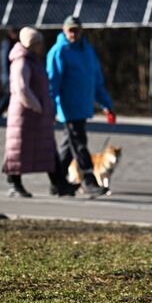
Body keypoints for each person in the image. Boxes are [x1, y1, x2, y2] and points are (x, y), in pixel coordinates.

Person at [2, 27, 78, 198]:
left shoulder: (33, 60)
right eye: (39, 43)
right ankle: (14, 183)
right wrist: (39, 107)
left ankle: (60, 184)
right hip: (24, 115)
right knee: (18, 150)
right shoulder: (21, 61)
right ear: (31, 44)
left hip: (37, 115)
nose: (42, 46)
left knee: (48, 149)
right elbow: (21, 89)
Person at [46, 15, 116, 198]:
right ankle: (88, 180)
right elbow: (52, 84)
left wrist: (106, 105)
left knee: (68, 147)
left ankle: (58, 182)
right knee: (79, 144)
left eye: (76, 30)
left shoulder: (88, 51)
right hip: (68, 108)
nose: (74, 34)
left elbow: (96, 81)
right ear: (64, 30)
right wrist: (51, 109)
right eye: (70, 30)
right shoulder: (58, 52)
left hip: (83, 107)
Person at [0, 28, 19, 117]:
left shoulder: (12, 43)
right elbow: (4, 61)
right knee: (8, 94)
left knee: (9, 94)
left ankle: (0, 112)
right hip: (8, 75)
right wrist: (8, 75)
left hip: (9, 74)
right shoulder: (7, 44)